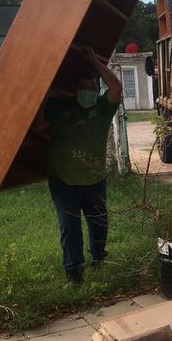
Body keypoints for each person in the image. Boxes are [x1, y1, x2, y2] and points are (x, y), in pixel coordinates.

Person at [44, 46, 122, 285]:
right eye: (84, 88)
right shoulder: (57, 108)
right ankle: (74, 272)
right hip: (62, 179)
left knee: (99, 221)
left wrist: (93, 60)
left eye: (93, 88)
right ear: (74, 90)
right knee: (70, 225)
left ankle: (99, 258)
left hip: (94, 179)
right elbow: (42, 91)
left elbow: (116, 87)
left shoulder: (102, 110)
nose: (89, 92)